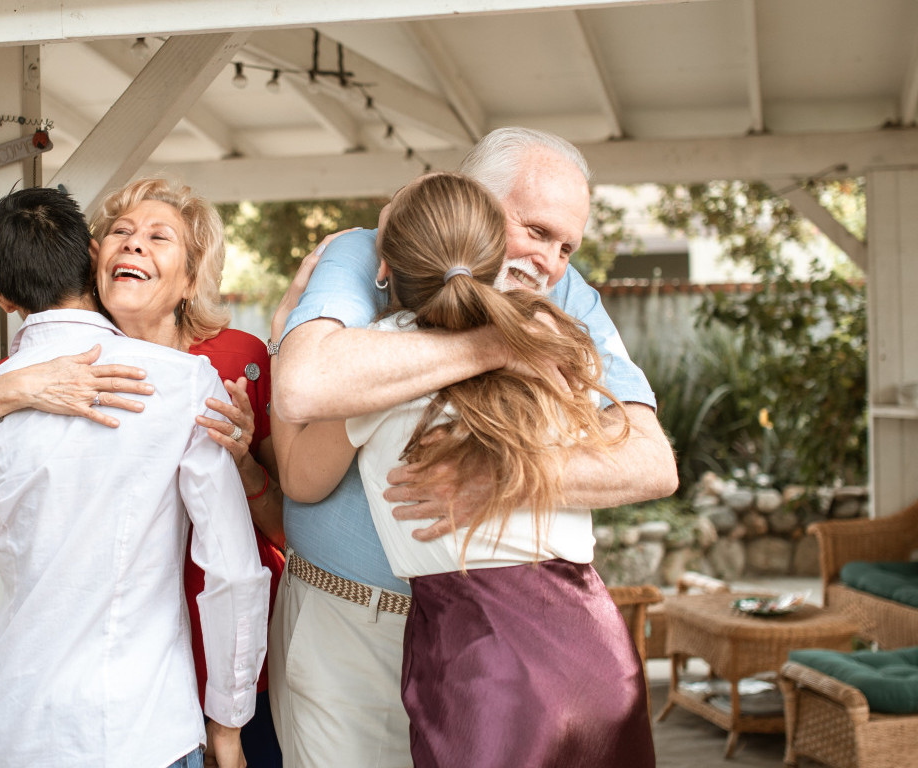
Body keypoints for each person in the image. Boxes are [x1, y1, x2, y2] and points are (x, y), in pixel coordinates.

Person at [265, 128, 678, 767]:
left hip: (489, 649)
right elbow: (304, 385)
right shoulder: (365, 254)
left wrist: (504, 477)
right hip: (350, 623)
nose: (551, 262)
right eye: (537, 231)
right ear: (471, 200)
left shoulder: (566, 301)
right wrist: (493, 345)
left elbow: (651, 462)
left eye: (568, 245)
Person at [0, 177, 286, 767]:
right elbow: (234, 574)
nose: (134, 245)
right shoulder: (181, 386)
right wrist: (227, 724)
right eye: (121, 232)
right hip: (144, 722)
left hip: (15, 725)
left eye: (157, 236)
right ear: (93, 257)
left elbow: (1, 530)